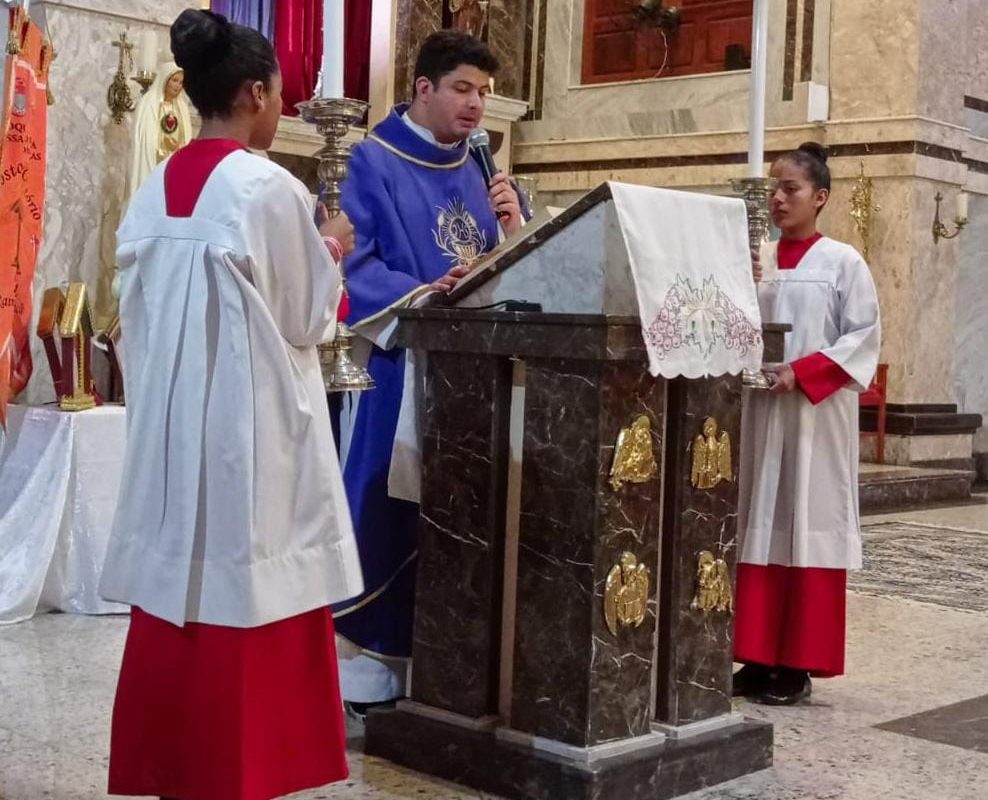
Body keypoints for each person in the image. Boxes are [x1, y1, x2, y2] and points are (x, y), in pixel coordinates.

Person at [99, 9, 363, 800]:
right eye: (279, 94)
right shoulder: (266, 186)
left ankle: (175, 766)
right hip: (249, 433)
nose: (281, 108)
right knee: (252, 577)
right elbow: (307, 317)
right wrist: (331, 249)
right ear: (254, 94)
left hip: (172, 430)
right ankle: (240, 771)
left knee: (180, 585)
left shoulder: (154, 189)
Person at [335, 29, 523, 706]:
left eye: (484, 93)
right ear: (423, 88)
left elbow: (507, 263)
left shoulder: (483, 167)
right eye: (462, 89)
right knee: (386, 507)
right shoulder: (372, 160)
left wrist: (516, 227)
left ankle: (449, 662)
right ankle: (369, 667)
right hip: (400, 362)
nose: (476, 105)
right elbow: (354, 263)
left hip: (478, 368)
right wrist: (423, 293)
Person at [732, 142, 881, 705]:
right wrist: (735, 283)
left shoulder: (843, 262)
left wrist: (801, 373)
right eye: (773, 187)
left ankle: (797, 665)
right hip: (760, 414)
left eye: (790, 188)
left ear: (820, 197)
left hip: (815, 419)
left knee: (807, 525)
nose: (777, 197)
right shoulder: (758, 259)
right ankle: (755, 656)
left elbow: (863, 338)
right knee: (759, 522)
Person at [126, 63, 192, 201]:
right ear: (165, 80)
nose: (178, 86)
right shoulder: (149, 103)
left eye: (181, 82)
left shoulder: (182, 107)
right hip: (154, 162)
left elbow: (186, 138)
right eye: (174, 80)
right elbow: (144, 138)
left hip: (174, 165)